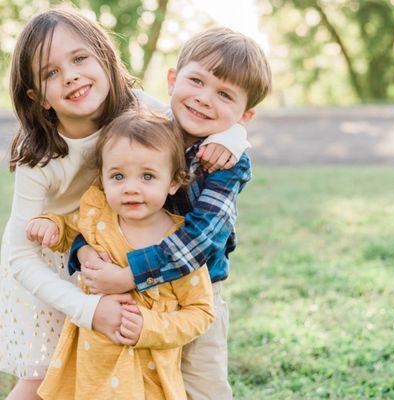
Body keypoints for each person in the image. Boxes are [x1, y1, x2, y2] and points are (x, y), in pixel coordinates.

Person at [0, 8, 247, 399]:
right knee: (48, 377)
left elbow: (199, 119)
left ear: (104, 58)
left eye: (79, 59)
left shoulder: (141, 110)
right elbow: (22, 254)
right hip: (55, 256)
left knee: (132, 370)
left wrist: (234, 137)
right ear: (36, 96)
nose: (71, 75)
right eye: (50, 72)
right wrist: (87, 304)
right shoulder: (37, 154)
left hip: (128, 246)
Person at [67, 27, 272, 399]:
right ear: (173, 80)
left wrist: (130, 275)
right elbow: (103, 206)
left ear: (245, 115)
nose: (204, 99)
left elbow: (202, 238)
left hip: (195, 294)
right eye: (196, 81)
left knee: (201, 384)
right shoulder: (150, 133)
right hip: (136, 296)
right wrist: (81, 251)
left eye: (224, 95)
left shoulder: (228, 163)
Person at [28, 110, 215, 399]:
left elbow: (201, 313)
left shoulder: (178, 245)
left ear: (174, 181)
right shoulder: (98, 216)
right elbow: (69, 229)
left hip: (147, 376)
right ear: (102, 179)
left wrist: (150, 326)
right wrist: (50, 225)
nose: (131, 188)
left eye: (148, 176)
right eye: (118, 176)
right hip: (94, 366)